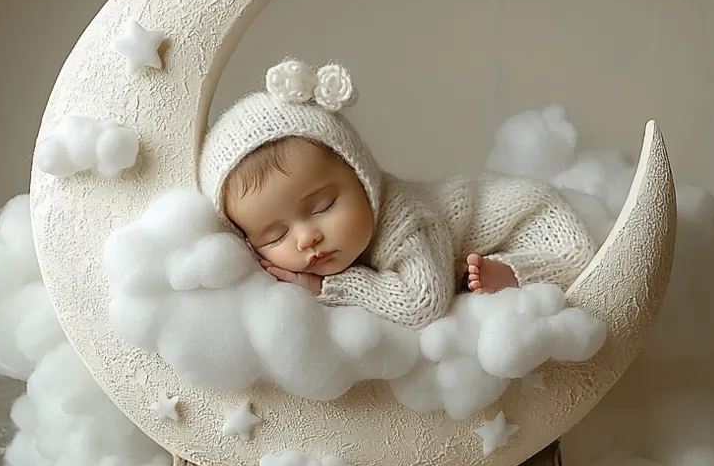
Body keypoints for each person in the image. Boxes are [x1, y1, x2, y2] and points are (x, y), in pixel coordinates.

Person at [198, 59, 597, 330]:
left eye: (323, 207)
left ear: (362, 176)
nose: (306, 238)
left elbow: (421, 303)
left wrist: (327, 288)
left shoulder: (406, 222)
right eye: (275, 236)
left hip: (529, 220)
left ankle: (512, 271)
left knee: (574, 261)